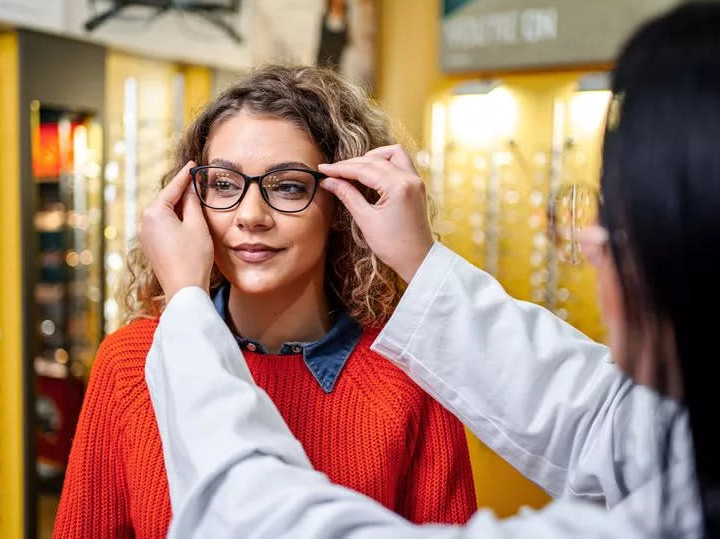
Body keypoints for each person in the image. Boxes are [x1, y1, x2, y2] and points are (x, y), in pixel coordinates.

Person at [139, 3, 719, 538]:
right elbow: (597, 415)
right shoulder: (126, 365)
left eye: (616, 224)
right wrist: (421, 264)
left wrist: (189, 310)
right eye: (223, 184)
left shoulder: (402, 389)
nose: (590, 245)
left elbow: (253, 518)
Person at [53, 65, 478, 538]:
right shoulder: (130, 364)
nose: (251, 215)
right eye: (224, 185)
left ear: (342, 205)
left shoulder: (409, 377)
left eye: (289, 186)